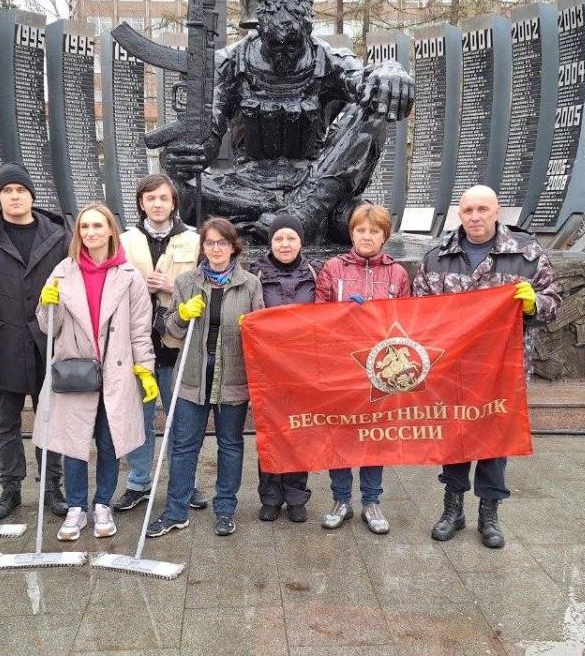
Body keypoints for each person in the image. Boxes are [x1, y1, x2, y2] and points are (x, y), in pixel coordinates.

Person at [160, 0, 414, 243]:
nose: (283, 55)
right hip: (247, 187)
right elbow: (209, 124)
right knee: (180, 190)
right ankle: (302, 216)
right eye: (274, 45)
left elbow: (362, 80)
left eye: (292, 45)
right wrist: (195, 150)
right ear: (260, 30)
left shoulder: (331, 59)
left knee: (374, 107)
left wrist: (389, 71)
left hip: (316, 180)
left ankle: (302, 212)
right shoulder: (228, 62)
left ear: (308, 31)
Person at [412, 185, 560, 548]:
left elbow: (553, 300)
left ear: (497, 212)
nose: (475, 217)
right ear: (459, 215)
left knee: (495, 440)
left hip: (502, 369)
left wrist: (534, 305)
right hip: (453, 369)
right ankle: (453, 509)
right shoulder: (437, 258)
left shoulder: (526, 253)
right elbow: (417, 309)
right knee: (455, 439)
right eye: (468, 210)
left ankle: (489, 514)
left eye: (482, 209)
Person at [33, 203, 157, 540]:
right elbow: (48, 327)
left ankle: (102, 503)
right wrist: (47, 304)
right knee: (73, 443)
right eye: (85, 227)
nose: (90, 233)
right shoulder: (63, 271)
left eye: (97, 226)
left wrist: (145, 369)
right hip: (76, 372)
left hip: (116, 374)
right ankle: (76, 508)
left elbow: (140, 330)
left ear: (110, 231)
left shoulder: (130, 276)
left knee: (109, 440)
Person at [0, 162, 68, 521]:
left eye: (20, 190)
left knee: (49, 417)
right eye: (7, 191)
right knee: (6, 421)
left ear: (31, 195)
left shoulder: (58, 236)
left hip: (47, 342)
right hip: (4, 343)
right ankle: (10, 488)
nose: (14, 196)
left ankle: (52, 486)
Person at [146, 217, 264, 538]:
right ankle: (176, 511)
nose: (216, 249)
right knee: (184, 445)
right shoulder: (187, 282)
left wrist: (251, 327)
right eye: (209, 243)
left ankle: (225, 509)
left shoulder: (250, 284)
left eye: (222, 243)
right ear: (203, 247)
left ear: (233, 246)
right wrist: (182, 316)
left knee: (230, 444)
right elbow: (170, 330)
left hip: (232, 374)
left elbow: (260, 332)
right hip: (192, 374)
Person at [113, 173, 211, 513]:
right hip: (135, 346)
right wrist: (140, 288)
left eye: (163, 198)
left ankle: (185, 482)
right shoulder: (123, 241)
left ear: (173, 204)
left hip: (177, 345)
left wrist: (172, 287)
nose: (157, 204)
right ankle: (138, 482)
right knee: (139, 417)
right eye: (150, 198)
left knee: (180, 420)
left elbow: (208, 286)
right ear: (141, 203)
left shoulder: (195, 241)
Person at [314, 203, 411, 534]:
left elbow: (408, 320)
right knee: (340, 433)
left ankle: (371, 501)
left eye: (374, 231)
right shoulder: (333, 268)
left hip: (382, 368)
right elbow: (317, 316)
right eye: (360, 230)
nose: (366, 236)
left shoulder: (398, 274)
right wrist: (341, 313)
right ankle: (341, 500)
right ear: (351, 234)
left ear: (385, 236)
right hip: (341, 364)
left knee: (374, 435)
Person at [247, 214, 321, 523]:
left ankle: (296, 495)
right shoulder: (255, 274)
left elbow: (328, 310)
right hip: (268, 367)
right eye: (279, 238)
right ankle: (270, 497)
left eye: (291, 238)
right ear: (271, 242)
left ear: (301, 242)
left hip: (304, 366)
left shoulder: (316, 272)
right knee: (270, 433)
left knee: (300, 432)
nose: (285, 244)